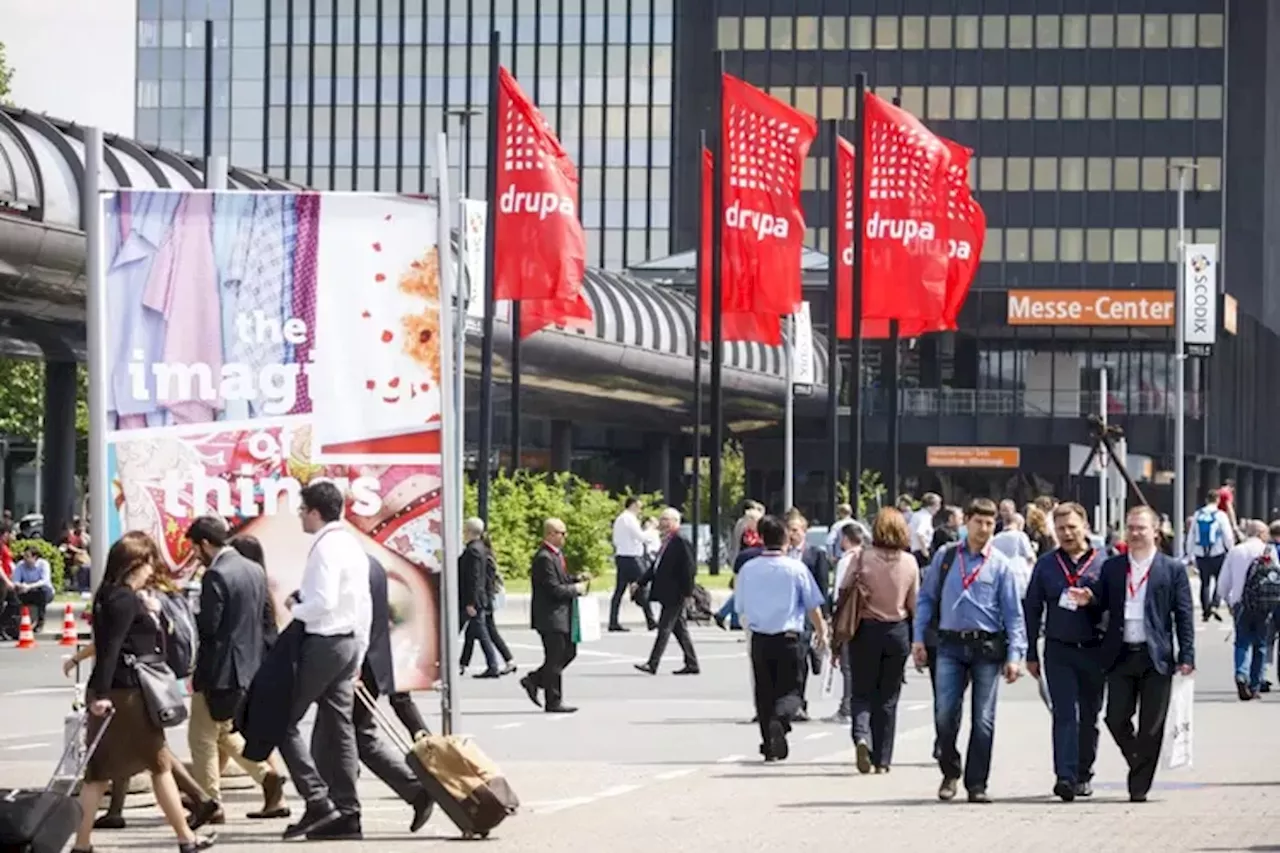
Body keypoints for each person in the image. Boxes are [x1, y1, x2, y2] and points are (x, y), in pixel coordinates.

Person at [69, 531, 214, 853]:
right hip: (129, 695)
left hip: (115, 692)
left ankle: (82, 843)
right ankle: (185, 838)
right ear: (136, 563)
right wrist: (103, 693)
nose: (152, 570)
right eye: (148, 563)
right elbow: (112, 648)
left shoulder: (111, 596)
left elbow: (110, 647)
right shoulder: (125, 600)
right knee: (159, 765)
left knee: (98, 773)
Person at [1071, 505, 1195, 803]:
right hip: (1120, 653)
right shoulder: (1114, 567)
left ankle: (1138, 786)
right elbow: (1101, 602)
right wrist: (1089, 599)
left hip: (1156, 655)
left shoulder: (1172, 568)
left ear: (1156, 531)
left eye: (1141, 528)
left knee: (1151, 726)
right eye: (1131, 527)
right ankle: (1139, 762)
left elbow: (1184, 613)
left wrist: (1187, 655)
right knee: (1115, 718)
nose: (1136, 533)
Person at [913, 498, 1026, 803]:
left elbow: (1014, 615)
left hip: (987, 648)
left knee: (984, 720)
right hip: (949, 645)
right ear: (967, 523)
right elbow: (926, 598)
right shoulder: (946, 556)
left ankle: (977, 784)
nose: (985, 529)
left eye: (990, 523)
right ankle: (950, 771)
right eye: (979, 522)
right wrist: (918, 638)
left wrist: (1016, 656)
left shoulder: (1001, 565)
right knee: (945, 714)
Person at [277, 480, 373, 840]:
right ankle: (348, 812)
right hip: (348, 641)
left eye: (302, 510)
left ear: (315, 512)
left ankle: (317, 799)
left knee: (283, 721)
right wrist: (359, 651)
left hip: (325, 640)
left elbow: (322, 603)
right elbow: (363, 603)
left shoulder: (325, 548)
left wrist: (294, 607)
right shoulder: (350, 543)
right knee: (339, 726)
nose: (301, 516)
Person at [185, 519, 288, 823]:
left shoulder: (215, 575)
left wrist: (191, 610)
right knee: (224, 732)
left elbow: (209, 627)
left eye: (194, 548)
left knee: (201, 738)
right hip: (247, 667)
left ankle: (210, 803)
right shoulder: (253, 570)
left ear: (205, 543)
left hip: (218, 669)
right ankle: (267, 775)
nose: (195, 555)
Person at [1023, 502, 1105, 801]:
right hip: (1059, 650)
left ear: (1084, 525)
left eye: (1072, 527)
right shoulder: (1046, 564)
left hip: (1095, 649)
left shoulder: (1104, 561)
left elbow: (1115, 605)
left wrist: (1093, 600)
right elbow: (1031, 609)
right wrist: (1030, 652)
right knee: (1064, 714)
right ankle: (1065, 777)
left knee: (1090, 715)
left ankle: (1084, 773)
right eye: (1060, 529)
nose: (1067, 533)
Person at [734, 515, 829, 762]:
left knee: (763, 691)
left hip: (760, 637)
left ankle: (768, 742)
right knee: (791, 690)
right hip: (789, 637)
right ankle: (781, 719)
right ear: (785, 540)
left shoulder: (748, 569)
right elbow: (812, 605)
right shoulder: (796, 569)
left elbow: (740, 606)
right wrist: (822, 631)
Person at [357, 552, 435, 833]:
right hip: (381, 658)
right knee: (350, 731)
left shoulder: (359, 566)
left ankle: (416, 789)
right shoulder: (378, 567)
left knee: (356, 733)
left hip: (368, 662)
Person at [839, 508, 918, 774]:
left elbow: (844, 589)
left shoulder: (862, 558)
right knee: (888, 697)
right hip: (896, 631)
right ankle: (882, 759)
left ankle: (862, 737)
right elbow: (914, 603)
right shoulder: (909, 562)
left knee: (861, 692)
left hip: (865, 629)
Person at [520, 518, 588, 714]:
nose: (564, 536)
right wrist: (575, 589)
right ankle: (553, 701)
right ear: (550, 534)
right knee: (555, 657)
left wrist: (576, 579)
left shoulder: (556, 555)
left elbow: (561, 579)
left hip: (561, 615)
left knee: (569, 653)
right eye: (561, 533)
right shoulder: (543, 557)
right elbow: (553, 589)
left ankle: (534, 680)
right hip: (550, 617)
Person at [633, 508, 699, 676]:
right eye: (661, 519)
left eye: (666, 519)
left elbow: (689, 568)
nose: (662, 523)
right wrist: (640, 582)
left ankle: (652, 663)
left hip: (676, 592)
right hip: (667, 591)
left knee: (664, 628)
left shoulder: (680, 540)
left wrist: (687, 591)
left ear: (676, 521)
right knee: (679, 629)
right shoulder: (668, 540)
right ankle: (692, 663)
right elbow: (656, 566)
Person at [1214, 519, 1272, 700]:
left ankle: (1241, 674)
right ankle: (1255, 684)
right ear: (1262, 534)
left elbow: (1224, 581)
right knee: (1260, 644)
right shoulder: (1267, 551)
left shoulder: (1236, 551)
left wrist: (1225, 600)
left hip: (1241, 602)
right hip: (1264, 604)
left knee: (1241, 642)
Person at [785, 511, 831, 721]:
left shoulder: (815, 554)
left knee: (800, 660)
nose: (791, 534)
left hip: (806, 615)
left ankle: (799, 702)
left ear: (804, 532)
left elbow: (821, 586)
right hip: (785, 614)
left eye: (795, 530)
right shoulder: (781, 554)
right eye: (788, 529)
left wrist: (823, 619)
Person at [459, 520, 517, 679]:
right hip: (482, 598)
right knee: (474, 633)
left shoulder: (473, 551)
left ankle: (492, 665)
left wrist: (471, 601)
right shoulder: (482, 549)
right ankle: (462, 664)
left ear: (468, 530)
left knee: (481, 633)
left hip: (475, 600)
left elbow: (474, 578)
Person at [825, 522, 866, 724]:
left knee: (847, 664)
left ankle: (847, 707)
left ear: (846, 539)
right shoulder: (869, 558)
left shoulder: (847, 560)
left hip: (848, 617)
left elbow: (839, 592)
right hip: (866, 617)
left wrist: (833, 619)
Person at [1185, 490, 1235, 621]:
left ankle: (1205, 610)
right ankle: (1215, 604)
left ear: (1206, 500)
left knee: (1204, 582)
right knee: (1220, 581)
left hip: (1201, 554)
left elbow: (1192, 535)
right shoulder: (1221, 515)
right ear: (1218, 500)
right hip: (1217, 553)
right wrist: (1231, 550)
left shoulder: (1197, 514)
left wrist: (1189, 554)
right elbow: (1227, 535)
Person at [610, 497, 656, 631]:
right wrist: (651, 528)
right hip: (632, 557)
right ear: (633, 505)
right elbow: (641, 537)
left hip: (621, 556)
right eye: (639, 507)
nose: (640, 510)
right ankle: (651, 620)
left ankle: (613, 621)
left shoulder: (620, 519)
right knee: (643, 585)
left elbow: (616, 539)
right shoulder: (629, 519)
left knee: (619, 590)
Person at [990, 513, 1036, 600]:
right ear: (1019, 523)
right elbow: (1030, 557)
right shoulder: (1020, 536)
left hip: (1001, 578)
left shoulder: (996, 538)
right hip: (1020, 578)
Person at [11, 544, 55, 631]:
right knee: (14, 593)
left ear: (35, 557)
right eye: (24, 556)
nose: (25, 559)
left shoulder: (43, 564)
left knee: (43, 591)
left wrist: (29, 586)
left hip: (42, 591)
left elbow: (44, 581)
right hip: (26, 591)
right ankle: (15, 623)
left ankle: (40, 622)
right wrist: (20, 585)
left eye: (28, 556)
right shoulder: (20, 565)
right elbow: (15, 580)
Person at [908, 493, 941, 567]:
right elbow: (920, 533)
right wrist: (925, 552)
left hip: (914, 550)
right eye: (937, 505)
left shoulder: (916, 515)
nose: (938, 509)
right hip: (922, 552)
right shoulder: (926, 517)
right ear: (932, 506)